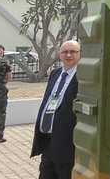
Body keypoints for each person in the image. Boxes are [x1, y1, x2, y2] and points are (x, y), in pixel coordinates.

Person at [31, 40, 80, 179]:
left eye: (73, 52)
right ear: (60, 54)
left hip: (67, 142)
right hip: (48, 140)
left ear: (80, 54)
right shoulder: (55, 73)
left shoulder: (83, 77)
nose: (68, 55)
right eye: (65, 52)